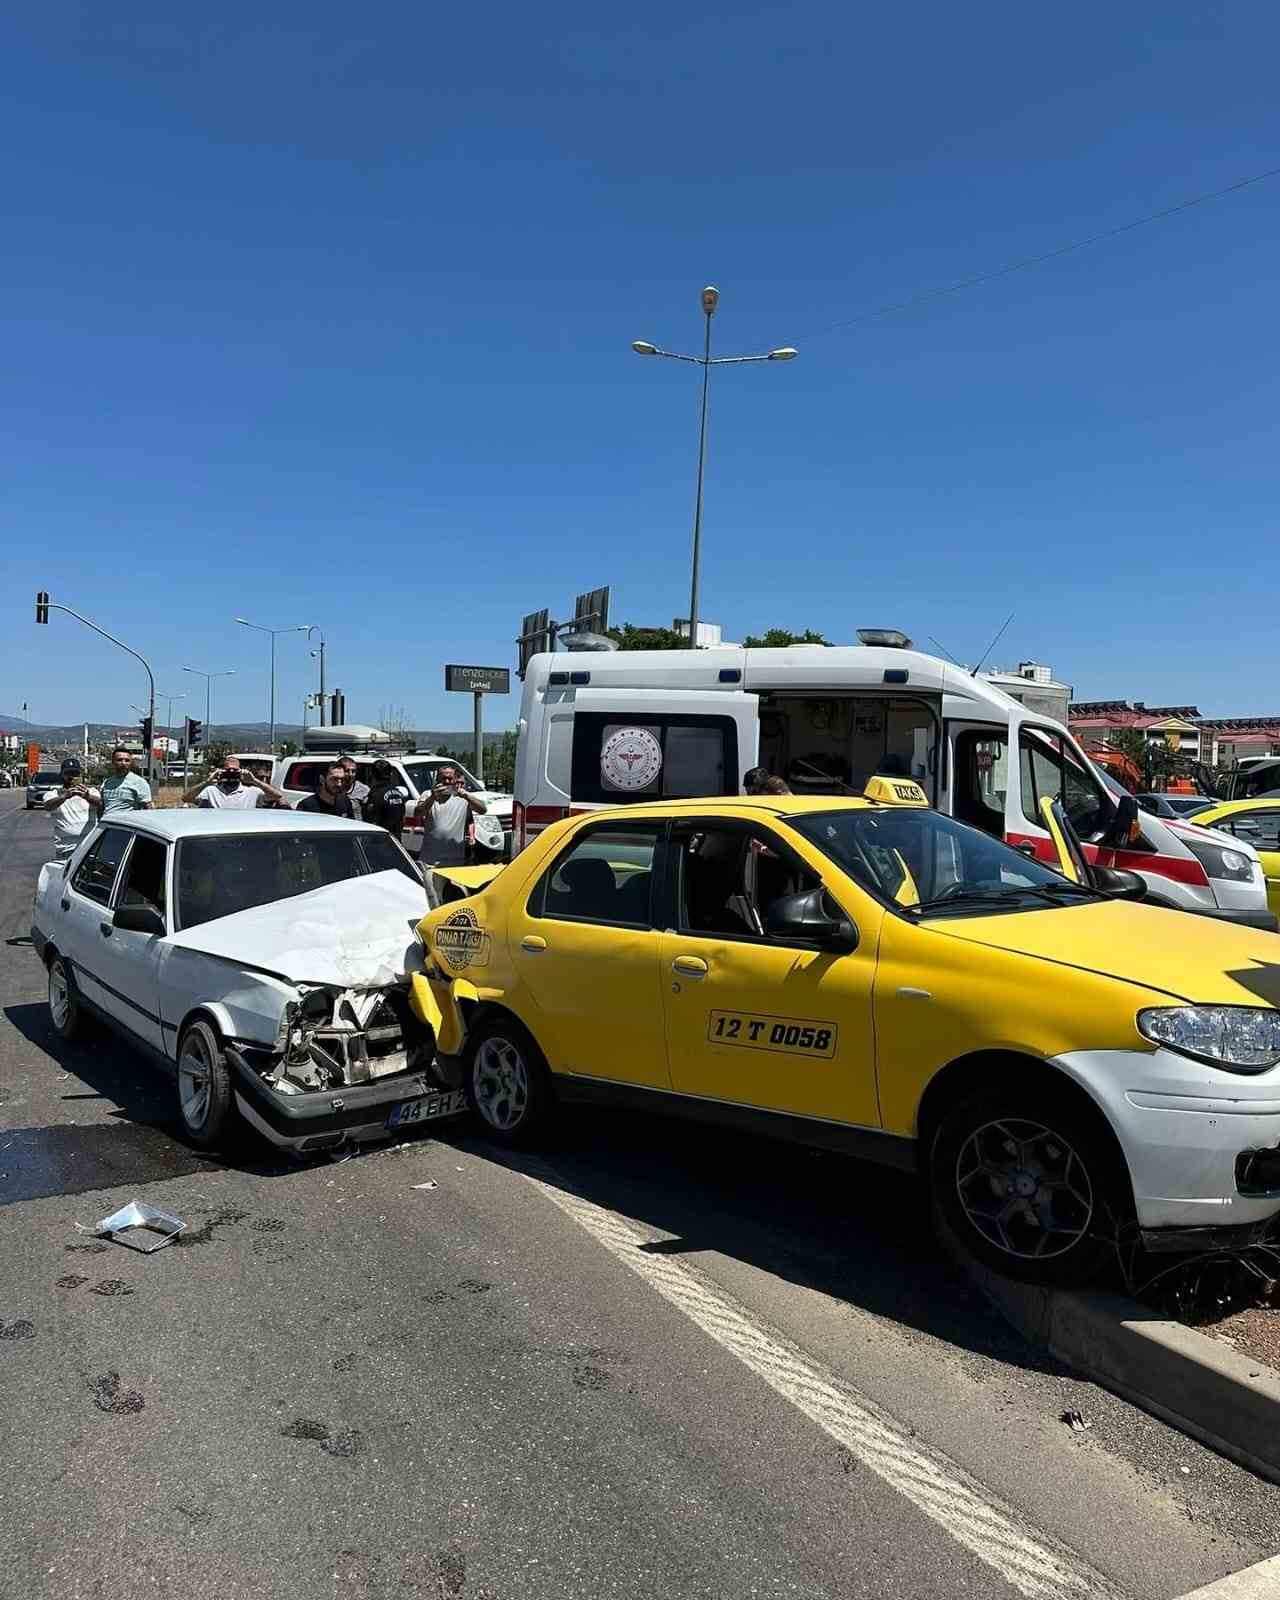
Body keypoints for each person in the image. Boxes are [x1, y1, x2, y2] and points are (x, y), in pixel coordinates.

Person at [414, 763, 486, 866]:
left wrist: (466, 796)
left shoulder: (462, 796)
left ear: (455, 779)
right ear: (437, 779)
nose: (447, 781)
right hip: (431, 859)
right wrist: (432, 798)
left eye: (450, 778)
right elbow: (418, 813)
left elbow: (483, 809)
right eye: (443, 778)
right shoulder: (428, 794)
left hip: (455, 860)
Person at [45, 758, 103, 859]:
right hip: (66, 849)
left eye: (75, 773)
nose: (71, 777)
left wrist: (87, 796)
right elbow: (48, 806)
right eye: (68, 774)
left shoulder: (91, 792)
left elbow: (101, 804)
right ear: (62, 775)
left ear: (81, 775)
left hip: (90, 847)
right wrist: (64, 797)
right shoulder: (53, 794)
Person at [183, 757, 286, 810]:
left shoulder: (251, 792)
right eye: (228, 771)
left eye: (235, 771)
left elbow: (277, 796)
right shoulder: (210, 791)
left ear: (240, 772)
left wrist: (254, 780)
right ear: (222, 772)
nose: (231, 774)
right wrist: (207, 782)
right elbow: (186, 798)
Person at [361, 758, 408, 839]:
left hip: (379, 841)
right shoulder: (399, 794)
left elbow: (370, 820)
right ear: (390, 774)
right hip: (395, 841)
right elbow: (403, 819)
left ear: (372, 775)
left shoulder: (375, 795)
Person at [100, 747, 152, 814]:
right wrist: (88, 796)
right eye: (119, 760)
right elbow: (102, 805)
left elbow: (148, 808)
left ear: (131, 762)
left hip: (126, 822)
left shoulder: (139, 782)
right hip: (108, 822)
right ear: (113, 761)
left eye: (127, 760)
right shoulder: (107, 782)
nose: (123, 763)